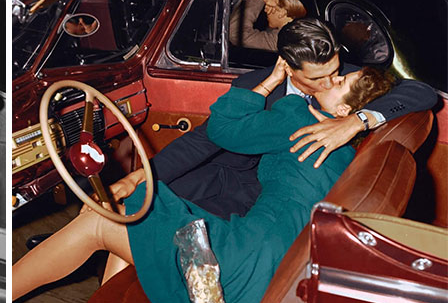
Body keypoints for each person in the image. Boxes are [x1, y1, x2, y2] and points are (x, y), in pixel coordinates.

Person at [13, 59, 394, 303]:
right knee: (138, 209)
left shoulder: (300, 117)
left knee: (100, 221)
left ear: (345, 110)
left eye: (340, 79)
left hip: (225, 273)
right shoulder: (344, 151)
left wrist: (271, 83)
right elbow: (203, 143)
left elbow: (225, 129)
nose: (331, 77)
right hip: (259, 275)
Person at [155, 17, 436, 220]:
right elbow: (203, 139)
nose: (330, 82)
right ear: (288, 67)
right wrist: (146, 175)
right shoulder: (251, 84)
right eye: (317, 77)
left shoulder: (347, 79)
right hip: (225, 176)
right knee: (147, 199)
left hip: (277, 197)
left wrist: (356, 121)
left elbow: (422, 92)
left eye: (334, 70)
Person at [229, 0, 306, 51]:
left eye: (269, 6)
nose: (265, 10)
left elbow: (236, 34)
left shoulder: (284, 38)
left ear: (282, 12)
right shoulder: (297, 34)